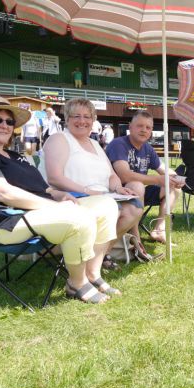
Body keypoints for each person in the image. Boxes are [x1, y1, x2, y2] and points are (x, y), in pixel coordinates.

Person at [0, 96, 120, 304]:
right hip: (5, 223)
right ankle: (77, 283)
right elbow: (3, 194)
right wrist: (55, 206)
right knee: (78, 218)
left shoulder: (15, 156)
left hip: (38, 213)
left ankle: (93, 273)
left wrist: (59, 195)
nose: (4, 125)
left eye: (9, 122)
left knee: (107, 205)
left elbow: (44, 187)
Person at [42, 98, 146, 265]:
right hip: (72, 197)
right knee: (116, 209)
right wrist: (88, 191)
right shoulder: (59, 139)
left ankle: (99, 255)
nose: (82, 121)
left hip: (102, 196)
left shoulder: (95, 144)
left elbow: (112, 175)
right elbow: (55, 177)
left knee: (134, 208)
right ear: (67, 119)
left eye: (87, 117)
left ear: (93, 120)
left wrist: (118, 188)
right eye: (76, 116)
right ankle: (91, 261)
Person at [106, 110, 184, 244]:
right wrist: (157, 179)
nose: (144, 130)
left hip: (139, 194)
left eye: (148, 127)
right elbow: (124, 176)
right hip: (118, 193)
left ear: (151, 131)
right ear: (130, 127)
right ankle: (134, 234)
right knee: (137, 185)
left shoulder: (147, 148)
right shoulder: (119, 144)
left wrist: (176, 179)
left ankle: (159, 230)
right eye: (139, 126)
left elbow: (163, 169)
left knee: (172, 188)